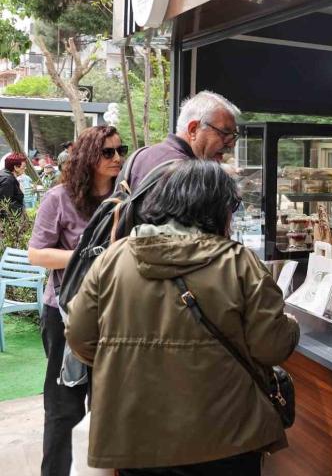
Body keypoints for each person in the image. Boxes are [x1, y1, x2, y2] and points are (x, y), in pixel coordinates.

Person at [65, 160, 300, 475]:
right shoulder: (240, 263)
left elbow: (80, 338)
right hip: (228, 437)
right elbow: (270, 347)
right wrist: (292, 326)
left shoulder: (114, 259)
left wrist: (129, 359)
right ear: (217, 209)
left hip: (136, 434)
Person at [28, 126, 126, 476]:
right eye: (107, 152)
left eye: (121, 150)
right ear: (88, 157)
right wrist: (86, 257)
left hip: (114, 313)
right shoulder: (59, 198)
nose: (117, 158)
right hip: (65, 312)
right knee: (62, 407)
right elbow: (37, 254)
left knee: (110, 404)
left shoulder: (126, 200)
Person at [126, 90, 241, 189]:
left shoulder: (138, 157)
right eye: (224, 133)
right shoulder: (191, 176)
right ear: (193, 129)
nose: (231, 144)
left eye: (233, 135)